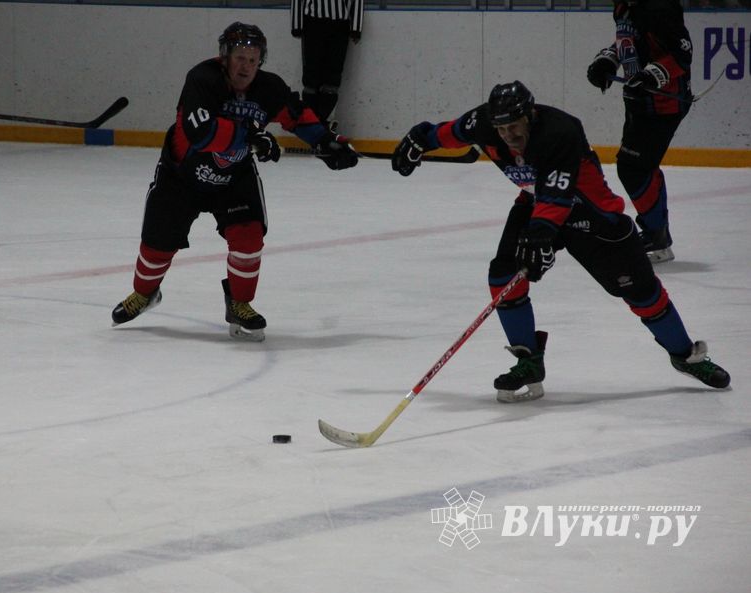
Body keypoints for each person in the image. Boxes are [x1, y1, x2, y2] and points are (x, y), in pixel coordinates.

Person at [390, 81, 729, 401]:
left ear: (530, 114)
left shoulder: (560, 131)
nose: (509, 135)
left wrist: (541, 236)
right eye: (502, 129)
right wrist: (420, 139)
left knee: (641, 292)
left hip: (593, 213)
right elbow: (449, 133)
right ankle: (528, 361)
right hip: (538, 205)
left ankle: (687, 356)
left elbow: (558, 194)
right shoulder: (484, 123)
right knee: (504, 276)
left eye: (515, 126)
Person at [111, 22, 358, 342]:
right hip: (180, 176)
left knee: (249, 237)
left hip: (233, 179)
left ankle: (239, 303)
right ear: (224, 57)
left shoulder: (269, 88)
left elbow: (296, 116)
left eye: (254, 59)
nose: (247, 65)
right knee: (157, 245)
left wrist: (327, 141)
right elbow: (200, 135)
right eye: (240, 57)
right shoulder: (202, 80)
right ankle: (145, 294)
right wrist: (252, 138)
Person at [585, 0, 692, 263]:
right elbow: (628, 42)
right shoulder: (623, 6)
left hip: (663, 104)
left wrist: (650, 76)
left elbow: (682, 53)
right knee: (640, 166)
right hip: (639, 102)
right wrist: (607, 61)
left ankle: (657, 234)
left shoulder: (660, 7)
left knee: (633, 168)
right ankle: (657, 232)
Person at [290, 0, 364, 127]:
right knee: (311, 76)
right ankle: (310, 121)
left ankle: (327, 120)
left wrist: (356, 27)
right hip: (313, 23)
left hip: (340, 25)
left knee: (333, 77)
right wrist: (296, 24)